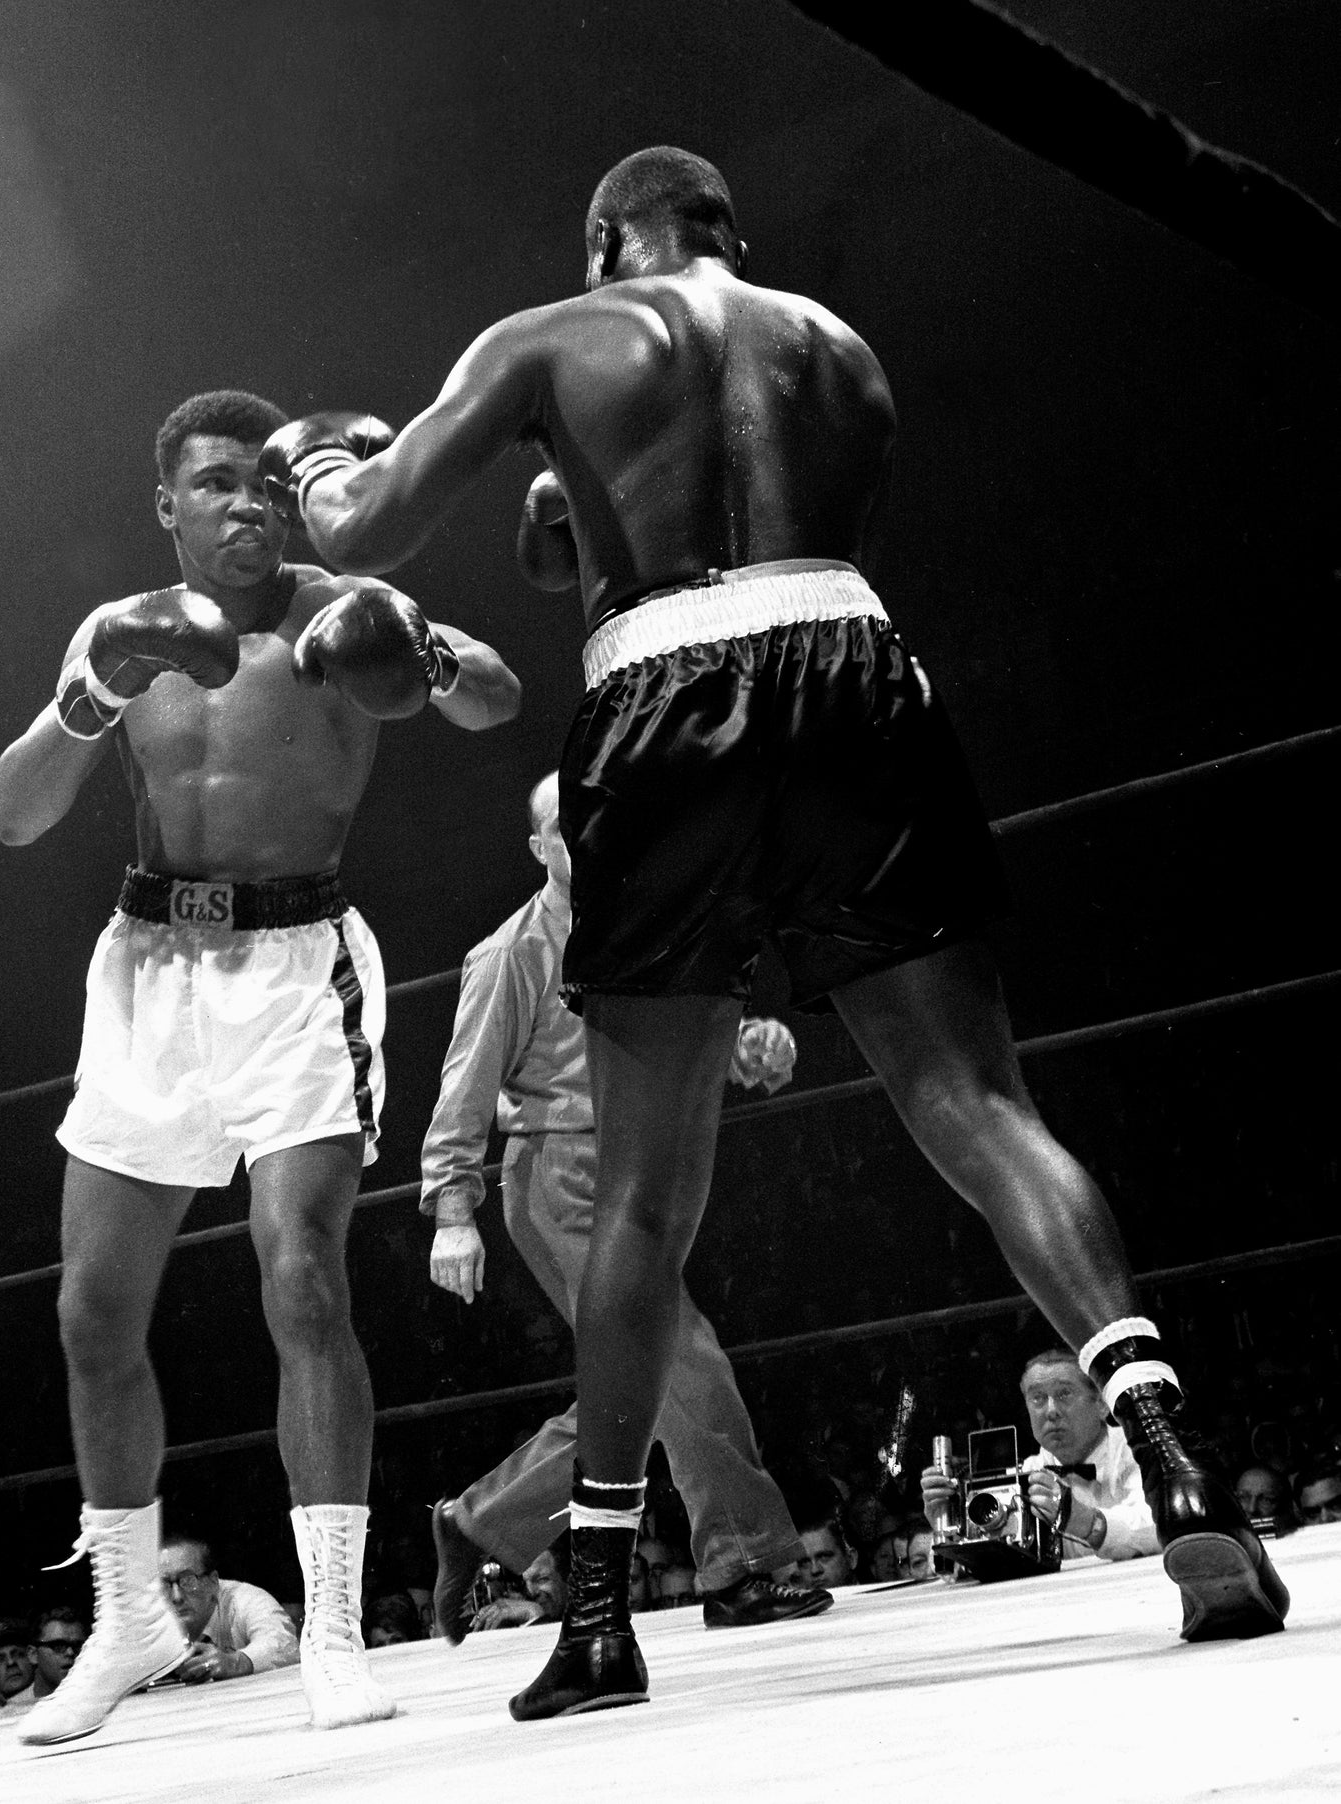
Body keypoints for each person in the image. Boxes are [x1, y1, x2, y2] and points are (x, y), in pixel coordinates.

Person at [261, 147, 1288, 1715]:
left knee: (647, 1197)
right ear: (735, 236)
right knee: (981, 1105)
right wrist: (580, 524)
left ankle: (598, 1613)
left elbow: (388, 528)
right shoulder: (839, 351)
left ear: (606, 242)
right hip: (858, 665)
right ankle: (1171, 1450)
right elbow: (748, 539)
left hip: (668, 698)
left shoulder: (550, 336)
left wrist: (319, 473)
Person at [0, 388, 520, 1744]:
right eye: (216, 484)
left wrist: (426, 662)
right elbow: (12, 810)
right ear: (168, 504)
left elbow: (498, 696)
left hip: (299, 976)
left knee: (305, 1278)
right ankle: (128, 1617)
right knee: (90, 1316)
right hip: (149, 971)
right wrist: (96, 683)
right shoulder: (119, 634)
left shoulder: (343, 608)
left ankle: (333, 1628)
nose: (248, 504)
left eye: (263, 484)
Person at [421, 774, 831, 1642]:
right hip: (561, 1173)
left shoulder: (649, 926)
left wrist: (745, 1049)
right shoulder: (513, 953)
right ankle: (745, 1565)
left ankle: (482, 1521)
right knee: (682, 1356)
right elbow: (464, 1089)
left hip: (647, 1161)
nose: (589, 841)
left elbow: (667, 1052)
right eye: (566, 831)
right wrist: (453, 1209)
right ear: (541, 849)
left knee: (635, 1380)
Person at [922, 1348, 1160, 1563]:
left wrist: (1089, 1523)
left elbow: (1158, 1524)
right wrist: (949, 1525)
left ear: (1101, 1403)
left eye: (1064, 1394)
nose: (1051, 1411)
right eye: (1038, 1399)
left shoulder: (1138, 1449)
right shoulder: (1028, 1473)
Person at [158, 1531, 300, 1681]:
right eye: (164, 1585)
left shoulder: (245, 1600)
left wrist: (236, 1663)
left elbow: (284, 1644)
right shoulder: (145, 1614)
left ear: (213, 1582)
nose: (177, 1597)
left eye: (188, 1581)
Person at [26, 1608, 88, 1698]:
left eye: (78, 1646)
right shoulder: (13, 1709)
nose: (70, 1652)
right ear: (33, 1654)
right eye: (58, 1646)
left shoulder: (103, 1701)